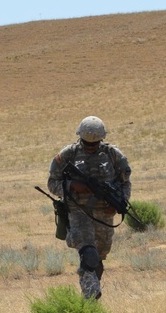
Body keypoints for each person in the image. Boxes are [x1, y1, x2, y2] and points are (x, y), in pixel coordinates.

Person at [47, 116, 132, 299]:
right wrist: (71, 186)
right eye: (86, 143)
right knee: (88, 253)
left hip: (104, 214)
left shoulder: (113, 155)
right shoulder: (68, 155)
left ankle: (92, 297)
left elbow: (125, 182)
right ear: (80, 138)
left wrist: (119, 203)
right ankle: (90, 296)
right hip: (79, 212)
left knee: (99, 258)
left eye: (94, 144)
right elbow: (52, 183)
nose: (90, 147)